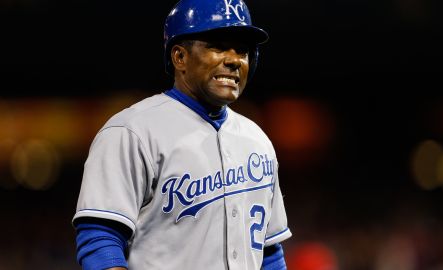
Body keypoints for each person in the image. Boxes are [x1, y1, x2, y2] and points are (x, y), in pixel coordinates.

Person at [72, 0, 292, 269]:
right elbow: (100, 242)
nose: (234, 60)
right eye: (219, 46)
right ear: (180, 57)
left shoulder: (257, 140)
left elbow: (269, 252)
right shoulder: (131, 131)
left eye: (243, 51)